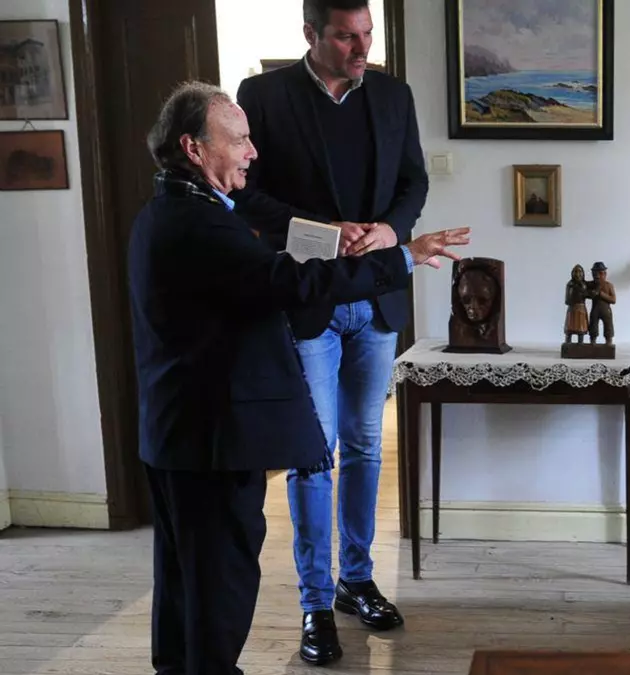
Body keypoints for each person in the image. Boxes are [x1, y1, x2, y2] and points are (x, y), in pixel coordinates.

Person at [127, 81, 467, 675]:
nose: (252, 152)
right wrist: (402, 257)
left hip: (180, 434)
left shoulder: (172, 210)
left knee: (186, 581)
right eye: (239, 140)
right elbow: (291, 283)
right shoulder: (198, 222)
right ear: (193, 148)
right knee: (219, 585)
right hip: (211, 442)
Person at [228, 0, 427, 665]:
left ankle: (356, 580)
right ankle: (315, 602)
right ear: (311, 34)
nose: (361, 48)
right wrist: (321, 232)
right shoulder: (262, 95)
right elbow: (244, 193)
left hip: (376, 301)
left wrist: (391, 230)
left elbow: (413, 180)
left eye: (367, 34)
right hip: (306, 299)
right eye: (346, 37)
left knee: (366, 446)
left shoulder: (394, 95)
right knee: (314, 454)